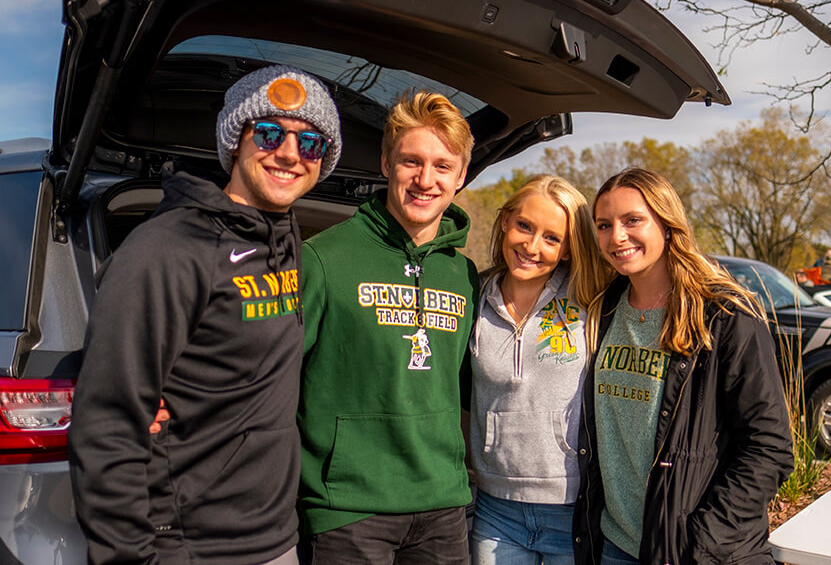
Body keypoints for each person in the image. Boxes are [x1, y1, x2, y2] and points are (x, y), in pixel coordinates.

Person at [69, 65, 341, 565]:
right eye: (269, 133)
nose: (288, 153)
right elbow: (109, 419)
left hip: (276, 537)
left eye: (310, 144)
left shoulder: (283, 238)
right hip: (191, 544)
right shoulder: (168, 247)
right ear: (235, 141)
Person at [573, 168, 793, 565]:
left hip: (693, 552)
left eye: (632, 220)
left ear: (667, 223)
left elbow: (769, 447)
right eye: (604, 225)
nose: (616, 236)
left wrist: (703, 540)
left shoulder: (724, 314)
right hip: (615, 545)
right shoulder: (604, 309)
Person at [297, 91, 479, 564]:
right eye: (411, 162)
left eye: (443, 166)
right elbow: (268, 377)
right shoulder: (322, 259)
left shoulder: (464, 275)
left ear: (461, 176)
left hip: (443, 508)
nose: (425, 180)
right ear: (385, 163)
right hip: (347, 509)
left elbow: (465, 389)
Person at [468, 175, 602, 565]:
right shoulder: (473, 295)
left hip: (571, 508)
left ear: (566, 249)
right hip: (495, 510)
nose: (531, 246)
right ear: (506, 221)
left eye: (551, 238)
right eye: (524, 226)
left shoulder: (590, 301)